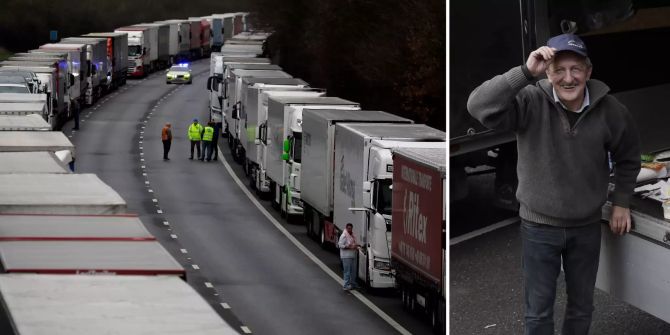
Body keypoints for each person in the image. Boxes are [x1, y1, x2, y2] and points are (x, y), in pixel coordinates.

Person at [467, 33, 640, 334]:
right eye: (558, 70)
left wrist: (622, 202)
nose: (568, 78)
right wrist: (524, 73)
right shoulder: (530, 101)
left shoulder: (611, 110)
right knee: (538, 312)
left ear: (588, 71)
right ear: (546, 72)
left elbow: (628, 157)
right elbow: (478, 106)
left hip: (586, 227)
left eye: (575, 69)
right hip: (538, 227)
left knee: (582, 307)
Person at [338, 223, 359, 291]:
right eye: (348, 228)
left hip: (352, 255)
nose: (350, 229)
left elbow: (353, 243)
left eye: (351, 228)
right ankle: (345, 285)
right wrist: (348, 247)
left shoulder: (352, 235)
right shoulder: (344, 235)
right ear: (346, 228)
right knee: (347, 271)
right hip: (346, 256)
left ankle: (352, 283)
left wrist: (357, 246)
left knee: (353, 271)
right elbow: (340, 245)